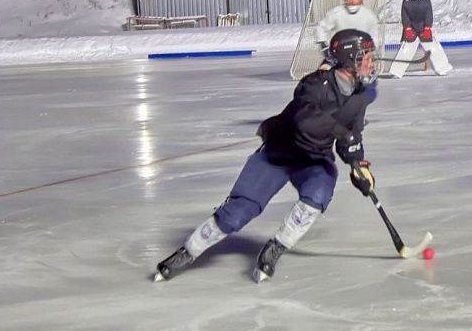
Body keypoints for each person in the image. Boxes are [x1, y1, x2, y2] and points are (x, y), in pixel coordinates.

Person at [154, 29, 380, 284]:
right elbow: (305, 121)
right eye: (365, 56)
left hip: (314, 158)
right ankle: (189, 251)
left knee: (320, 191)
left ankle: (276, 247)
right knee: (237, 213)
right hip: (279, 152)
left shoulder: (364, 93)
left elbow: (353, 132)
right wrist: (343, 133)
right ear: (349, 59)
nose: (371, 62)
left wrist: (356, 163)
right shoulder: (315, 84)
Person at [388, 0, 453, 78]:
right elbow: (404, 16)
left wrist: (427, 27)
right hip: (411, 30)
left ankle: (442, 68)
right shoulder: (406, 2)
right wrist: (408, 28)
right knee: (405, 51)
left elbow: (429, 15)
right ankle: (396, 71)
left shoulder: (426, 1)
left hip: (424, 30)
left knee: (434, 48)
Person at [316, 0, 380, 61]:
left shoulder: (369, 16)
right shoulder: (336, 13)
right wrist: (324, 46)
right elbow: (321, 27)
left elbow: (374, 36)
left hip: (361, 56)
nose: (353, 1)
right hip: (339, 55)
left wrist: (371, 53)